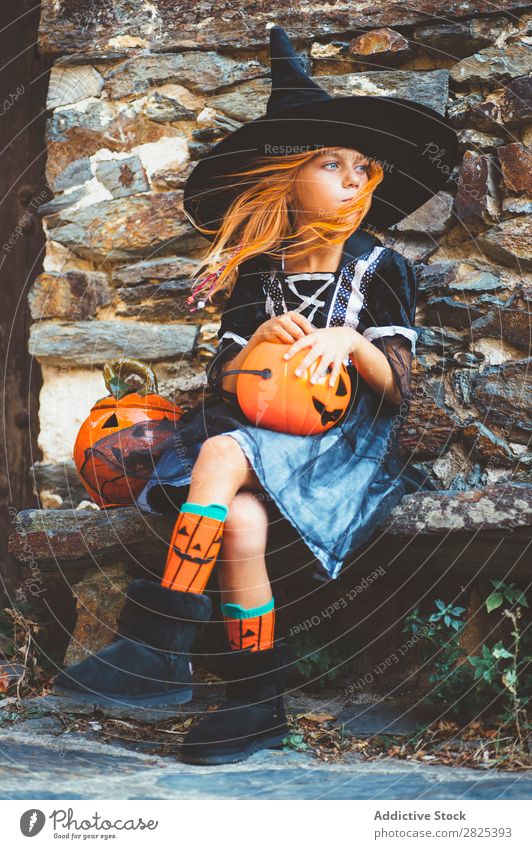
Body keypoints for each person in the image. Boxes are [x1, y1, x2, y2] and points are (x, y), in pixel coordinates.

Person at [53, 26, 458, 765]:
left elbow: (400, 386)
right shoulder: (259, 273)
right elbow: (229, 384)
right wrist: (262, 351)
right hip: (258, 440)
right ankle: (257, 704)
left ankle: (156, 644)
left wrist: (351, 343)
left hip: (338, 450)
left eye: (361, 166)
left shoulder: (378, 265)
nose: (351, 177)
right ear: (287, 175)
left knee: (221, 450)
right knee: (236, 521)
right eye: (330, 162)